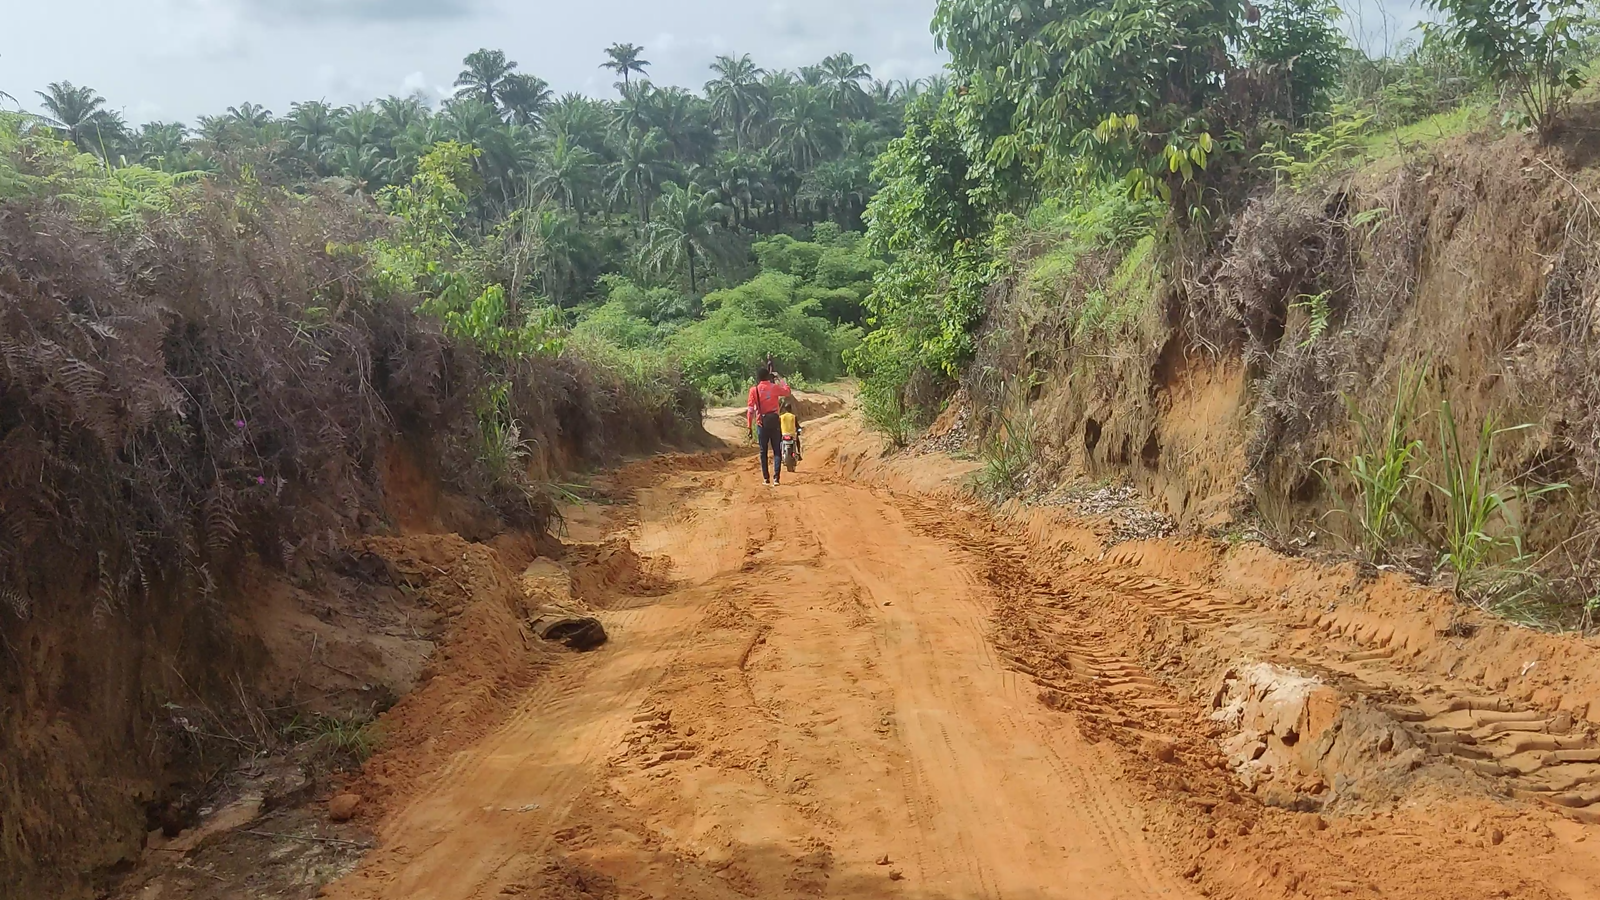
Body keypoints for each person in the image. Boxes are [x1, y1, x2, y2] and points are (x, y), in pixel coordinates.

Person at [746, 364, 791, 486]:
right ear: (768, 376)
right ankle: (776, 478)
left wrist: (749, 426)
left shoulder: (753, 390)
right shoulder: (774, 387)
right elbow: (787, 392)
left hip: (761, 424)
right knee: (777, 450)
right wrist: (780, 378)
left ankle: (766, 479)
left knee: (763, 452)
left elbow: (750, 410)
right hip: (775, 422)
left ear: (758, 378)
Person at [779, 396, 801, 463]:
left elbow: (778, 426)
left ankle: (779, 455)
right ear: (791, 409)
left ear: (785, 409)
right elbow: (797, 426)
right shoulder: (793, 417)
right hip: (792, 435)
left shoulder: (781, 417)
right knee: (797, 441)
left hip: (783, 434)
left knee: (779, 443)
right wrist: (799, 430)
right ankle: (799, 453)